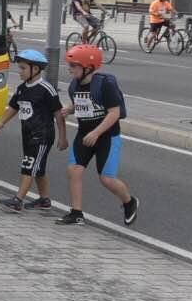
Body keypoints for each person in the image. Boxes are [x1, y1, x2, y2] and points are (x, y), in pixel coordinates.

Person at [57, 44, 138, 227]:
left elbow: (114, 113)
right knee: (74, 170)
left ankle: (129, 201)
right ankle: (76, 213)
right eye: (69, 65)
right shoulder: (74, 85)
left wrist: (96, 132)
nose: (69, 69)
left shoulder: (105, 85)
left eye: (73, 66)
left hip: (107, 136)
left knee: (107, 179)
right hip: (84, 134)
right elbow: (82, 104)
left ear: (88, 67)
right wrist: (69, 109)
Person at [0, 49, 62, 212]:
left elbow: (58, 114)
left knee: (28, 166)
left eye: (23, 68)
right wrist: (1, 122)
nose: (20, 71)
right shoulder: (22, 89)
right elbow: (13, 107)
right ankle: (44, 200)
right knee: (38, 169)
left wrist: (63, 137)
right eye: (19, 67)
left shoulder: (46, 89)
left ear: (35, 69)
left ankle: (18, 200)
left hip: (42, 135)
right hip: (28, 134)